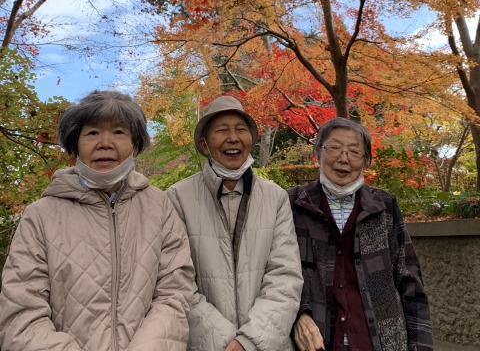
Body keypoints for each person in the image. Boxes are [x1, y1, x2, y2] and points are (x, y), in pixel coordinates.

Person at [0, 90, 194, 351]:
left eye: (118, 132)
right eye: (92, 133)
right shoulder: (40, 215)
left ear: (135, 144)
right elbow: (21, 316)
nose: (105, 143)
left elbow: (175, 293)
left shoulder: (160, 207)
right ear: (75, 145)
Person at [167, 95, 303, 351]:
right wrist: (224, 343)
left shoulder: (275, 197)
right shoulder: (177, 198)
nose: (233, 138)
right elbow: (177, 282)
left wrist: (248, 341)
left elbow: (285, 277)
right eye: (222, 130)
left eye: (241, 129)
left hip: (266, 344)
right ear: (205, 144)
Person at [288, 117, 433, 351]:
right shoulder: (292, 204)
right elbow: (275, 274)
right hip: (315, 343)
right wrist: (299, 313)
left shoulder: (384, 206)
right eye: (334, 147)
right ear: (317, 153)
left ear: (366, 161)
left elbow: (410, 281)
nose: (343, 158)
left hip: (379, 342)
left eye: (354, 151)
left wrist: (421, 346)